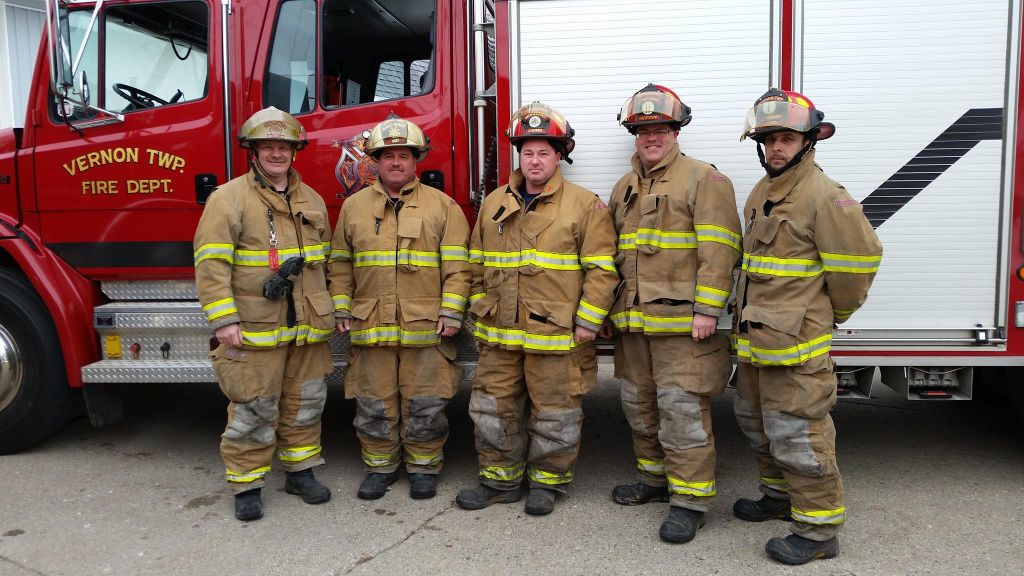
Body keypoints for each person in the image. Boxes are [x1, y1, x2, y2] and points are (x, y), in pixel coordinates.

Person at [732, 89, 882, 564]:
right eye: (769, 139)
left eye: (787, 139)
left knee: (798, 433)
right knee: (757, 424)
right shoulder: (764, 190)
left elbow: (857, 267)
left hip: (796, 349)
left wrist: (829, 317)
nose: (776, 147)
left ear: (808, 141)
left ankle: (818, 532)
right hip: (758, 343)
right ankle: (778, 498)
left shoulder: (826, 196)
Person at [455, 102, 618, 516]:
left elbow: (602, 269)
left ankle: (547, 483)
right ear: (518, 155)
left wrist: (589, 321)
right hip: (499, 334)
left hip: (556, 335)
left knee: (555, 412)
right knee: (492, 408)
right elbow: (475, 261)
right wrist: (478, 304)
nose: (534, 160)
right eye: (527, 152)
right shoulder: (494, 202)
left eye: (544, 152)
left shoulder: (585, 204)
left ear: (559, 155)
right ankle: (499, 481)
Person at [600, 84, 742, 543]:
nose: (651, 137)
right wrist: (608, 310)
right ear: (634, 135)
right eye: (643, 131)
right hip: (633, 323)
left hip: (684, 327)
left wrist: (708, 310)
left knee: (681, 413)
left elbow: (720, 249)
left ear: (677, 132)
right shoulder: (624, 187)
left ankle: (689, 502)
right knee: (639, 405)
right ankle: (654, 480)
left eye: (660, 129)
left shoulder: (705, 179)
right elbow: (613, 256)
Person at [194, 107, 335, 521]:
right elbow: (211, 265)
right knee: (254, 405)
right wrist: (225, 320)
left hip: (307, 326)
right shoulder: (228, 199)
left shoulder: (312, 200)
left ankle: (300, 472)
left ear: (294, 151)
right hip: (256, 326)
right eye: (268, 146)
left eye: (284, 147)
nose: (277, 154)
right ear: (253, 151)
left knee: (306, 402)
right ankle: (247, 485)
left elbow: (327, 262)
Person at [327, 113, 470, 500]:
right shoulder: (353, 207)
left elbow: (460, 268)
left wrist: (452, 311)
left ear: (415, 160)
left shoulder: (443, 207)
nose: (395, 162)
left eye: (403, 155)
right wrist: (341, 307)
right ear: (376, 160)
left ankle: (424, 468)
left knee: (426, 403)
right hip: (370, 326)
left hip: (426, 329)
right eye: (387, 155)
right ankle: (380, 468)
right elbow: (339, 264)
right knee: (373, 403)